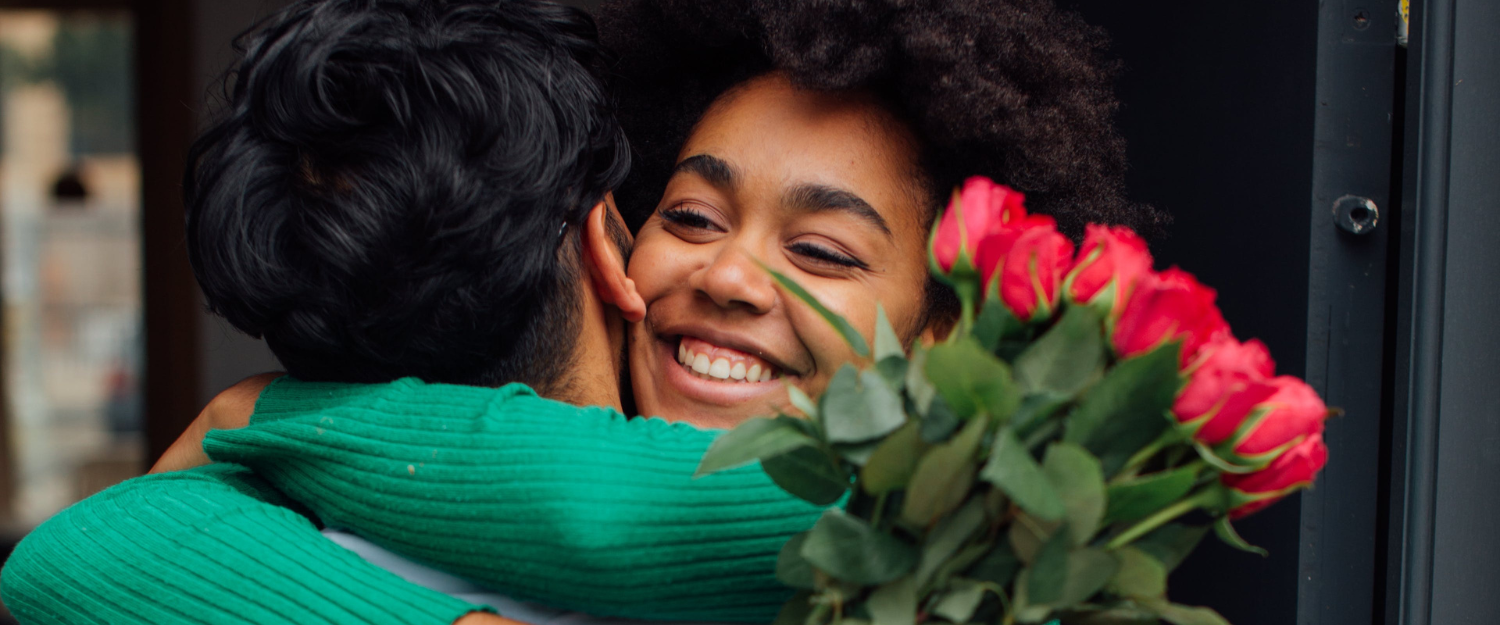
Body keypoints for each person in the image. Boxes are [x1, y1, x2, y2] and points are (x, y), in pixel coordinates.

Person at [2, 0, 1164, 623]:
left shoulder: (951, 556)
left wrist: (278, 416)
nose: (731, 276)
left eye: (819, 250)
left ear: (951, 335)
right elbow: (76, 553)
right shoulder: (289, 544)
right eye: (691, 215)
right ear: (615, 241)